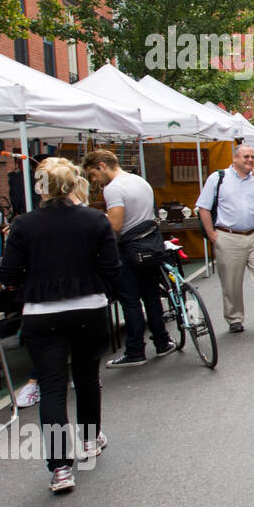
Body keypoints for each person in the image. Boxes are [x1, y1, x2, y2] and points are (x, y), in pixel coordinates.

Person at [0, 158, 121, 493]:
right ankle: (89, 441)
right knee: (86, 378)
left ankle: (60, 469)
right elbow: (111, 267)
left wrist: (28, 291)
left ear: (41, 189)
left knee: (52, 388)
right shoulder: (95, 220)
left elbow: (7, 274)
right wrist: (105, 292)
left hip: (41, 313)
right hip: (88, 308)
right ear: (72, 186)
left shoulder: (24, 225)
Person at [82, 149, 175, 368]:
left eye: (94, 174)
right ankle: (162, 342)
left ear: (102, 166)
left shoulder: (113, 189)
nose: (95, 180)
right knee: (151, 296)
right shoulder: (139, 181)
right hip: (150, 246)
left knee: (130, 300)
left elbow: (116, 225)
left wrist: (99, 218)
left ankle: (135, 350)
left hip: (129, 249)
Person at [195, 143, 254, 334]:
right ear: (235, 158)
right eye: (245, 157)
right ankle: (235, 318)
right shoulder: (218, 178)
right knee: (231, 281)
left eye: (252, 157)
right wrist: (211, 234)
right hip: (229, 235)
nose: (249, 160)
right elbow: (203, 207)